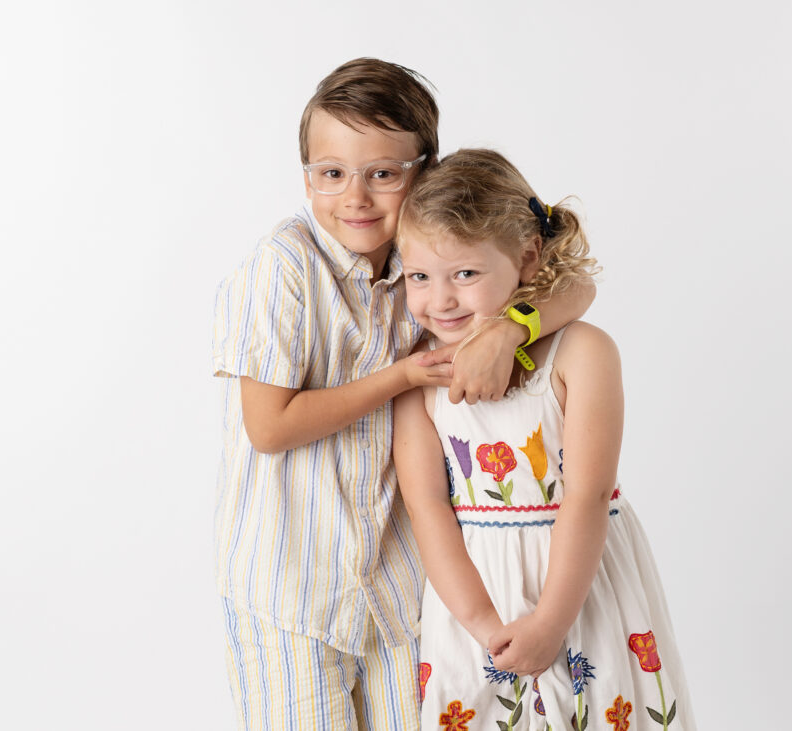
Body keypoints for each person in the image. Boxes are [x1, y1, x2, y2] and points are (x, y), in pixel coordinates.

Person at [211, 61, 593, 730]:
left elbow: (579, 285)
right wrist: (403, 377)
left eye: (383, 173)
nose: (355, 196)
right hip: (292, 590)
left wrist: (512, 328)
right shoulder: (284, 267)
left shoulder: (424, 266)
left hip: (395, 591)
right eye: (331, 173)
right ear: (307, 176)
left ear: (424, 173)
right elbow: (268, 427)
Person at [394, 149, 695, 730]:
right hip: (473, 600)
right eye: (419, 277)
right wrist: (484, 625)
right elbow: (426, 506)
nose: (441, 299)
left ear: (527, 257)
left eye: (465, 273)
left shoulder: (582, 352)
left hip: (581, 588)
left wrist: (553, 622)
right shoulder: (418, 376)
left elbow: (586, 495)